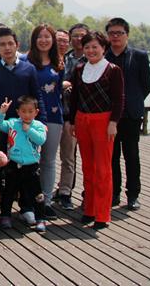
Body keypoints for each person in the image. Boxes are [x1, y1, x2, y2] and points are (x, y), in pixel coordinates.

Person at [67, 30, 124, 230]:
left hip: (103, 121)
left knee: (103, 169)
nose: (91, 50)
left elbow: (119, 99)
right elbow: (74, 97)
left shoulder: (113, 69)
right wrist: (72, 121)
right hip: (82, 119)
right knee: (87, 167)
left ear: (104, 48)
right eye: (87, 47)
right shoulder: (79, 69)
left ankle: (102, 214)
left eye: (95, 47)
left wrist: (113, 122)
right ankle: (89, 209)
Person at [104, 17, 150, 210]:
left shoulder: (139, 56)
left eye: (119, 33)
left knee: (132, 155)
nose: (115, 36)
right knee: (111, 156)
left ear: (127, 35)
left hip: (131, 114)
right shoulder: (103, 56)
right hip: (109, 115)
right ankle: (113, 193)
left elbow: (146, 85)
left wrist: (133, 101)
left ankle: (133, 195)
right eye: (112, 33)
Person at [27, 24, 65, 219]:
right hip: (29, 117)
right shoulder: (26, 62)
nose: (43, 40)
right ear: (34, 40)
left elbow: (59, 90)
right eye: (39, 37)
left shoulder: (59, 63)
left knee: (48, 160)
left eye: (47, 37)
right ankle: (30, 200)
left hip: (53, 116)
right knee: (29, 160)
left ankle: (47, 201)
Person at [0, 96, 48, 232]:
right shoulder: (13, 123)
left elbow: (41, 140)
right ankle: (5, 216)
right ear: (18, 112)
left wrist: (29, 130)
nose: (27, 115)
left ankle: (40, 218)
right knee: (9, 191)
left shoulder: (39, 126)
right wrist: (1, 112)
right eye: (23, 111)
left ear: (36, 112)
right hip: (14, 163)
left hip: (31, 165)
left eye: (30, 111)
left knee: (37, 193)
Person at [57, 23, 88, 210]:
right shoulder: (58, 59)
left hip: (73, 115)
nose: (78, 39)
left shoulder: (89, 60)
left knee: (69, 156)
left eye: (81, 35)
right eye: (74, 35)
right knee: (46, 157)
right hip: (52, 115)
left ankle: (65, 192)